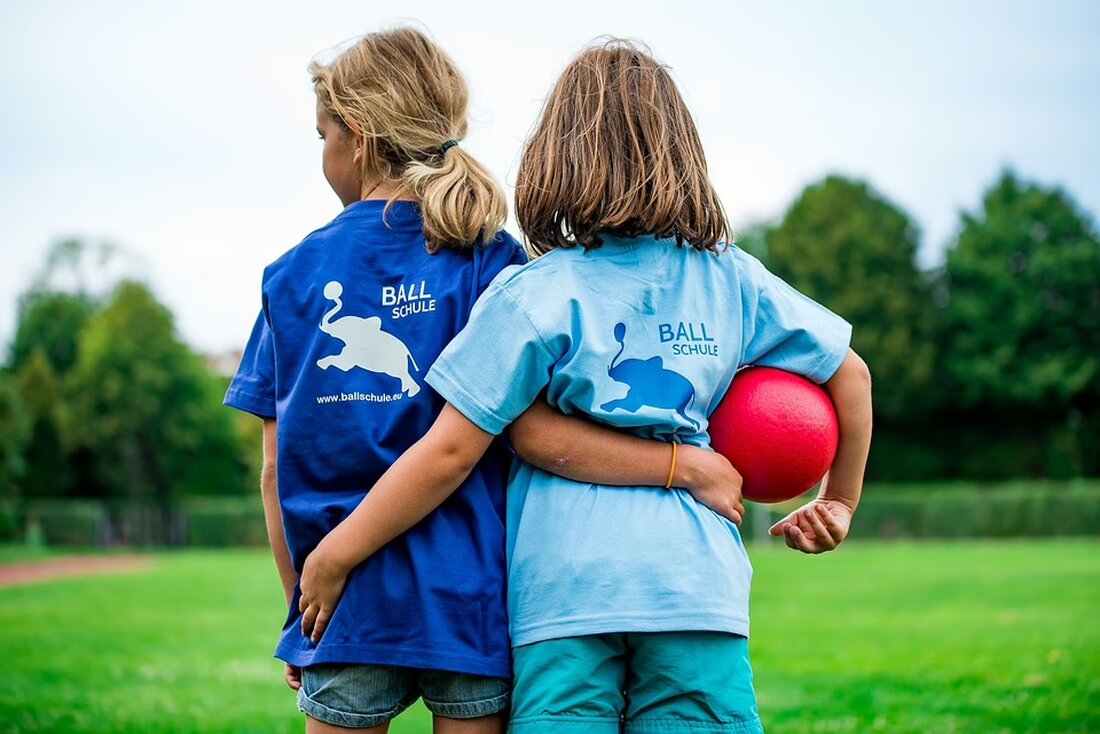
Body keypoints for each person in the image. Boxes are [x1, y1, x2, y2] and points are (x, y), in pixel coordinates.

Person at [298, 39, 873, 734]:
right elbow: (851, 373)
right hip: (695, 591)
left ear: (553, 157)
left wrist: (335, 551)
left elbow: (457, 447)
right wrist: (837, 501)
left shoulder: (533, 293)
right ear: (681, 154)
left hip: (564, 598)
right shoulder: (730, 279)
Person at [226, 28, 746, 734]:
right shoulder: (493, 261)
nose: (323, 154)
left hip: (343, 604)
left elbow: (271, 471)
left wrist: (305, 602)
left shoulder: (288, 278)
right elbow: (524, 432)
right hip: (469, 605)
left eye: (322, 135)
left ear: (356, 136)